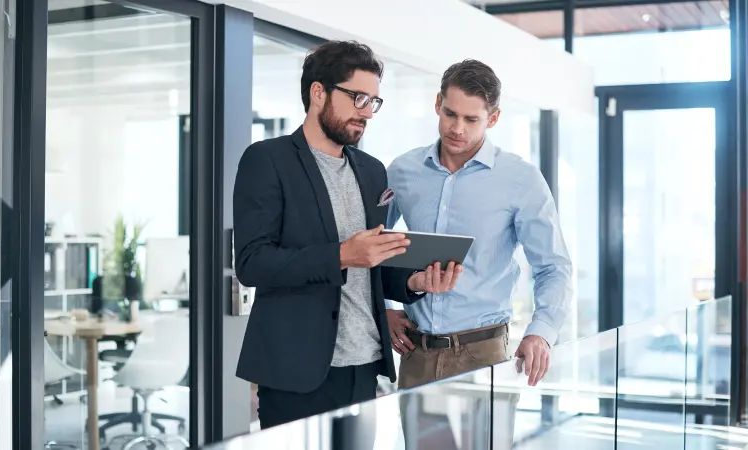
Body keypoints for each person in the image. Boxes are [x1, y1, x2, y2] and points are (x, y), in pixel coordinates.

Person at [233, 40, 462, 430]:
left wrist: (413, 281)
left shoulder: (372, 171)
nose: (367, 113)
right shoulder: (267, 160)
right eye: (358, 98)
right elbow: (253, 263)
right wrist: (340, 255)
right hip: (296, 372)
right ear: (318, 92)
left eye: (373, 101)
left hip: (364, 366)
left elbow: (370, 263)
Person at [385, 59, 573, 390]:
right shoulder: (402, 171)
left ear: (494, 118)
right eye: (450, 114)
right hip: (416, 355)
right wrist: (383, 309)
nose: (458, 128)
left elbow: (553, 267)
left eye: (472, 119)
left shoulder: (521, 179)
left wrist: (541, 332)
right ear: (437, 104)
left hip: (483, 354)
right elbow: (372, 247)